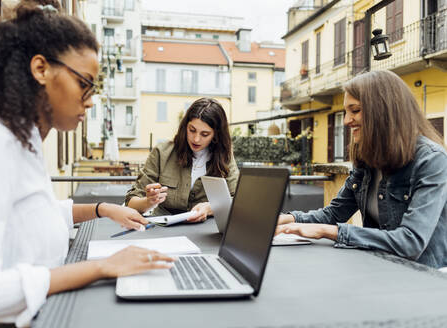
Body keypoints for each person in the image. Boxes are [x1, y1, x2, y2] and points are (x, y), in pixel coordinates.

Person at [0, 1, 174, 327]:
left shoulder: (21, 141)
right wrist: (101, 267)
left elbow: (29, 214)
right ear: (41, 69)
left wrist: (102, 209)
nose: (89, 99)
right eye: (84, 83)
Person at [276, 70, 447, 269]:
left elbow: (410, 242)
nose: (347, 120)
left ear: (383, 112)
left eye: (355, 110)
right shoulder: (368, 160)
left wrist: (328, 231)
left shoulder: (431, 160)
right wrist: (286, 220)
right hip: (380, 267)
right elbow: (332, 214)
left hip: (424, 277)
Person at [125, 98, 239, 222]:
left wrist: (210, 208)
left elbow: (238, 201)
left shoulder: (225, 157)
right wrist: (148, 202)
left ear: (216, 134)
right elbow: (131, 201)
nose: (196, 139)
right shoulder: (162, 152)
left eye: (204, 134)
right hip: (163, 229)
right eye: (192, 130)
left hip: (204, 233)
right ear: (185, 126)